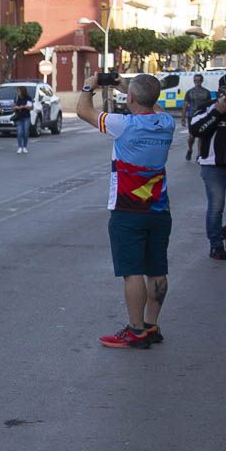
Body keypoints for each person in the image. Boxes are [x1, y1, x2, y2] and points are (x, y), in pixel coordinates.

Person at [76, 73, 174, 348]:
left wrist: (89, 85)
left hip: (128, 209)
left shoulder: (124, 125)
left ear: (130, 98)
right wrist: (129, 88)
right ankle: (152, 326)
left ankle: (135, 330)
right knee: (157, 269)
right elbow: (152, 106)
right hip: (159, 209)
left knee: (132, 272)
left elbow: (83, 111)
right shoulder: (167, 123)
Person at [189, 76, 226, 259]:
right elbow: (196, 130)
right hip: (213, 166)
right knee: (216, 207)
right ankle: (216, 246)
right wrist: (217, 113)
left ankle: (221, 231)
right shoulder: (207, 107)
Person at [183, 73, 214, 161]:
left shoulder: (206, 92)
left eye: (199, 80)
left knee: (201, 136)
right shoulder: (189, 92)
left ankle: (199, 154)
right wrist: (182, 118)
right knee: (191, 136)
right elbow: (185, 105)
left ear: (202, 81)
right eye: (195, 80)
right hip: (192, 116)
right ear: (193, 81)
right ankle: (190, 149)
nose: (197, 82)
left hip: (203, 116)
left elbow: (209, 105)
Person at [12, 86, 32, 153]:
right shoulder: (16, 98)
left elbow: (31, 107)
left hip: (26, 117)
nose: (18, 92)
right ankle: (20, 147)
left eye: (19, 91)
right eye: (17, 91)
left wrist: (24, 107)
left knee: (26, 132)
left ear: (23, 91)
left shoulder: (28, 98)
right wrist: (17, 107)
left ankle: (25, 147)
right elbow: (13, 107)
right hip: (19, 117)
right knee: (19, 132)